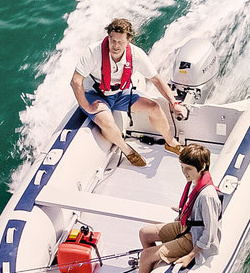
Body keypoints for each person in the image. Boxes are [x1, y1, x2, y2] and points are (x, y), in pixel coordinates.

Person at [70, 18, 188, 166]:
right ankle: (127, 150)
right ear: (108, 37)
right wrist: (86, 106)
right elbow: (75, 81)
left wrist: (174, 103)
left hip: (121, 94)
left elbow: (156, 79)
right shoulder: (93, 52)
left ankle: (171, 142)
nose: (115, 46)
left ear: (129, 41)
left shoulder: (136, 54)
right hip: (96, 94)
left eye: (120, 42)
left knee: (154, 108)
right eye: (113, 41)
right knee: (108, 123)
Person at [132, 143, 222, 273]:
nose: (184, 172)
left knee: (146, 255)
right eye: (182, 167)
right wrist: (185, 211)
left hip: (193, 238)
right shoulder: (194, 181)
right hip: (185, 226)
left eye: (188, 168)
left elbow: (209, 234)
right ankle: (149, 269)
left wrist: (190, 256)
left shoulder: (207, 196)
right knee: (144, 233)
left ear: (202, 166)